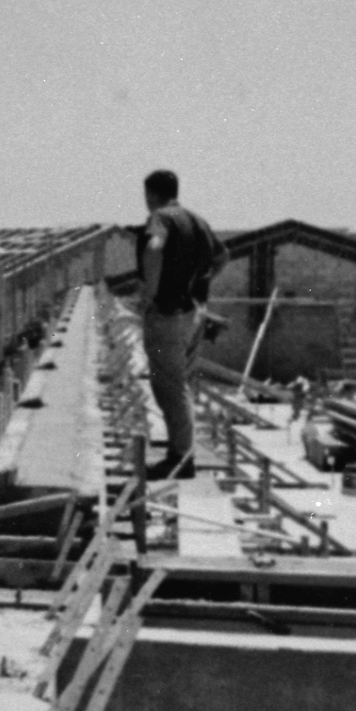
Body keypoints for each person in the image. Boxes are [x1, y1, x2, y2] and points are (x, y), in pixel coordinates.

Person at [135, 168, 226, 479]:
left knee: (170, 387)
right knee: (180, 385)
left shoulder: (160, 218)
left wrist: (151, 292)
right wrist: (201, 282)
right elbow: (222, 256)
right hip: (191, 313)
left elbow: (154, 249)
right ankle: (182, 451)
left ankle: (181, 457)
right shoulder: (197, 221)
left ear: (151, 194)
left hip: (167, 314)